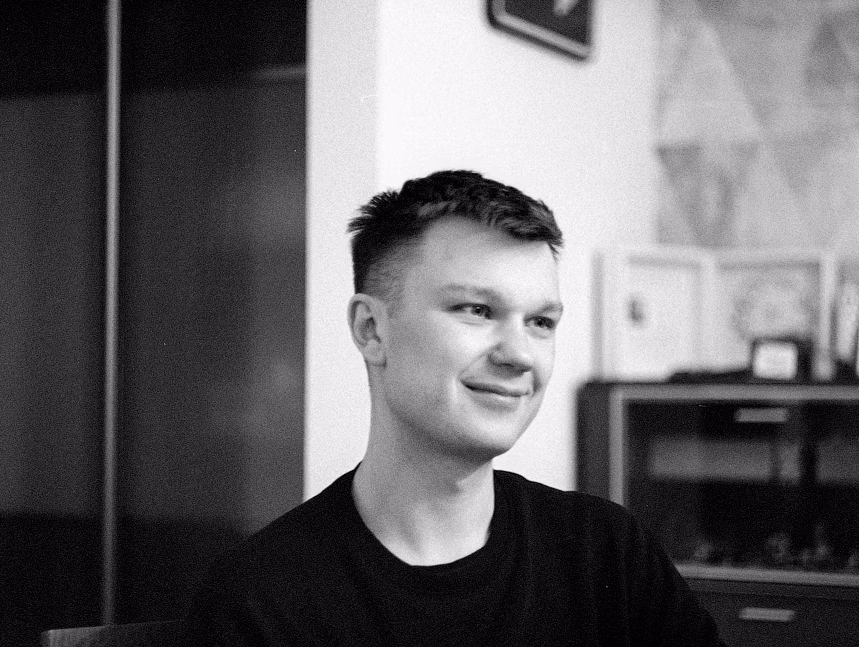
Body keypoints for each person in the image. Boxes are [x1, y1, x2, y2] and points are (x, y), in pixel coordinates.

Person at [185, 170, 726, 646]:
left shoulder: (607, 555)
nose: (519, 355)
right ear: (372, 330)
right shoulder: (262, 599)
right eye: (477, 310)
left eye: (541, 322)